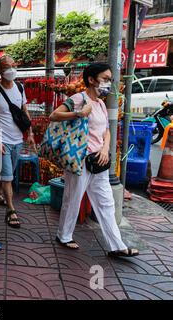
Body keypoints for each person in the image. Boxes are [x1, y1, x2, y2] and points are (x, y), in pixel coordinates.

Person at [49, 62, 139, 257]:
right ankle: (63, 236)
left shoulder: (100, 104)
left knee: (106, 202)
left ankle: (116, 246)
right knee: (73, 199)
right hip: (80, 160)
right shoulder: (79, 98)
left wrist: (106, 149)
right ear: (91, 79)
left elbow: (106, 130)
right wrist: (79, 113)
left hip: (99, 161)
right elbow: (54, 115)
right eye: (105, 79)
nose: (109, 83)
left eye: (110, 80)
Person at [0, 55, 35, 228]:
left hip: (18, 139)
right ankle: (11, 210)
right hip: (2, 139)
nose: (11, 69)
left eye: (13, 65)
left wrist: (30, 133)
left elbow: (24, 110)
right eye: (6, 67)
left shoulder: (20, 88)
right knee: (8, 177)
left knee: (8, 172)